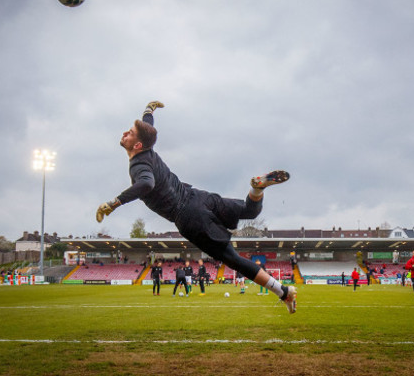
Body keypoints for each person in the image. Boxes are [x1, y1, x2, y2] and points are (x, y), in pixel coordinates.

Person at [96, 101, 296, 313]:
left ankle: (283, 292)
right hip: (197, 197)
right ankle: (258, 188)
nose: (126, 132)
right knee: (250, 210)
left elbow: (146, 183)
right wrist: (148, 111)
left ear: (137, 146)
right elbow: (147, 129)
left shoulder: (139, 165)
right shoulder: (147, 148)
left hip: (189, 217)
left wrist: (115, 203)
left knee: (232, 259)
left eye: (130, 133)